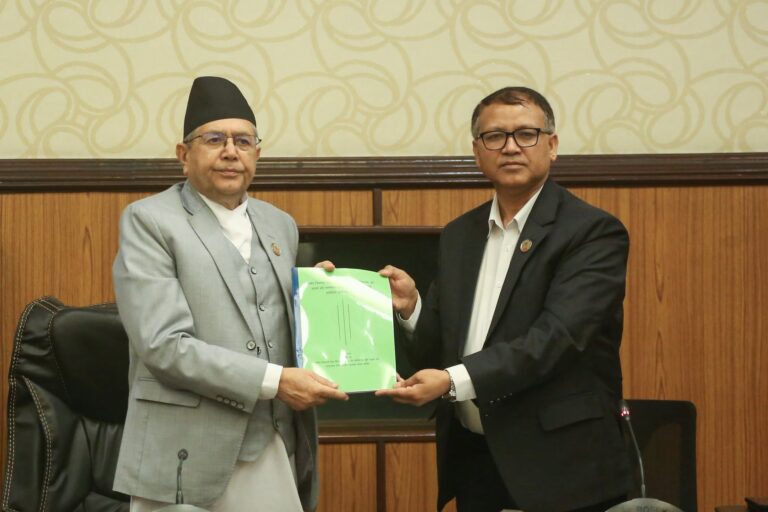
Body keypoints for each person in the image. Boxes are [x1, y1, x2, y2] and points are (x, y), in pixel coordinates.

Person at [376, 86, 631, 512]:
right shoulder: (460, 235)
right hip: (477, 461)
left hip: (562, 468)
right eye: (495, 136)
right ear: (477, 152)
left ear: (552, 146)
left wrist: (452, 382)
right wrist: (412, 308)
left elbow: (556, 339)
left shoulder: (591, 232)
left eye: (526, 134)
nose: (511, 147)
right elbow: (446, 348)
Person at [112, 76, 348, 511]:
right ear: (184, 155)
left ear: (257, 153)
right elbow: (163, 345)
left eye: (243, 140)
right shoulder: (149, 221)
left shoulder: (279, 224)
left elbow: (268, 318)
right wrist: (276, 381)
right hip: (184, 450)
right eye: (214, 139)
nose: (230, 151)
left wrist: (319, 298)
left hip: (271, 441)